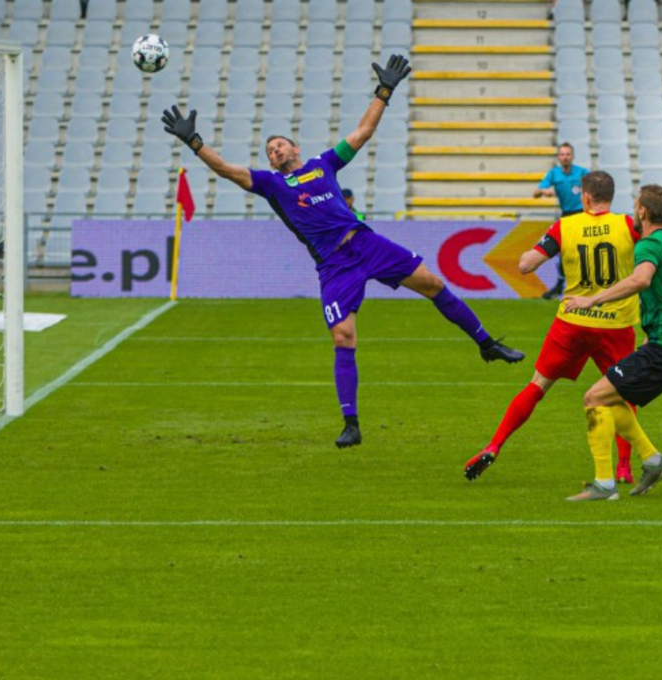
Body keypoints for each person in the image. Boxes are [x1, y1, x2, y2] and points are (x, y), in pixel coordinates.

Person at [160, 54, 525, 449]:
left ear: (295, 147)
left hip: (365, 243)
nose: (275, 151)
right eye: (270, 150)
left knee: (433, 283)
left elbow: (363, 132)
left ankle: (487, 345)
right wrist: (195, 143)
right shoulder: (271, 184)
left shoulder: (324, 163)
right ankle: (351, 423)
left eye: (280, 145)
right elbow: (226, 170)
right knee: (343, 336)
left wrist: (384, 91)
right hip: (334, 264)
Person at [464, 172, 662, 485]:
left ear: (585, 197)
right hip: (616, 324)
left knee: (537, 386)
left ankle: (495, 445)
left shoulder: (566, 225)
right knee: (621, 392)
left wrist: (533, 247)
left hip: (573, 321)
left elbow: (525, 265)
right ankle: (624, 468)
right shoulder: (626, 225)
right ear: (612, 197)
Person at [562, 184, 662, 501]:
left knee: (594, 397)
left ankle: (604, 485)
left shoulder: (649, 245)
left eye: (635, 205)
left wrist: (592, 300)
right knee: (611, 398)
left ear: (642, 211)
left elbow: (641, 280)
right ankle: (652, 461)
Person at [534, 142, 589, 299]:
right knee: (564, 252)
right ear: (558, 157)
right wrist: (544, 191)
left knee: (584, 251)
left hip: (582, 215)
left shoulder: (582, 172)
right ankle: (560, 285)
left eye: (568, 154)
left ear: (573, 156)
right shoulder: (554, 173)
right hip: (566, 216)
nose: (565, 157)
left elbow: (595, 188)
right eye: (562, 154)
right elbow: (536, 193)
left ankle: (587, 285)